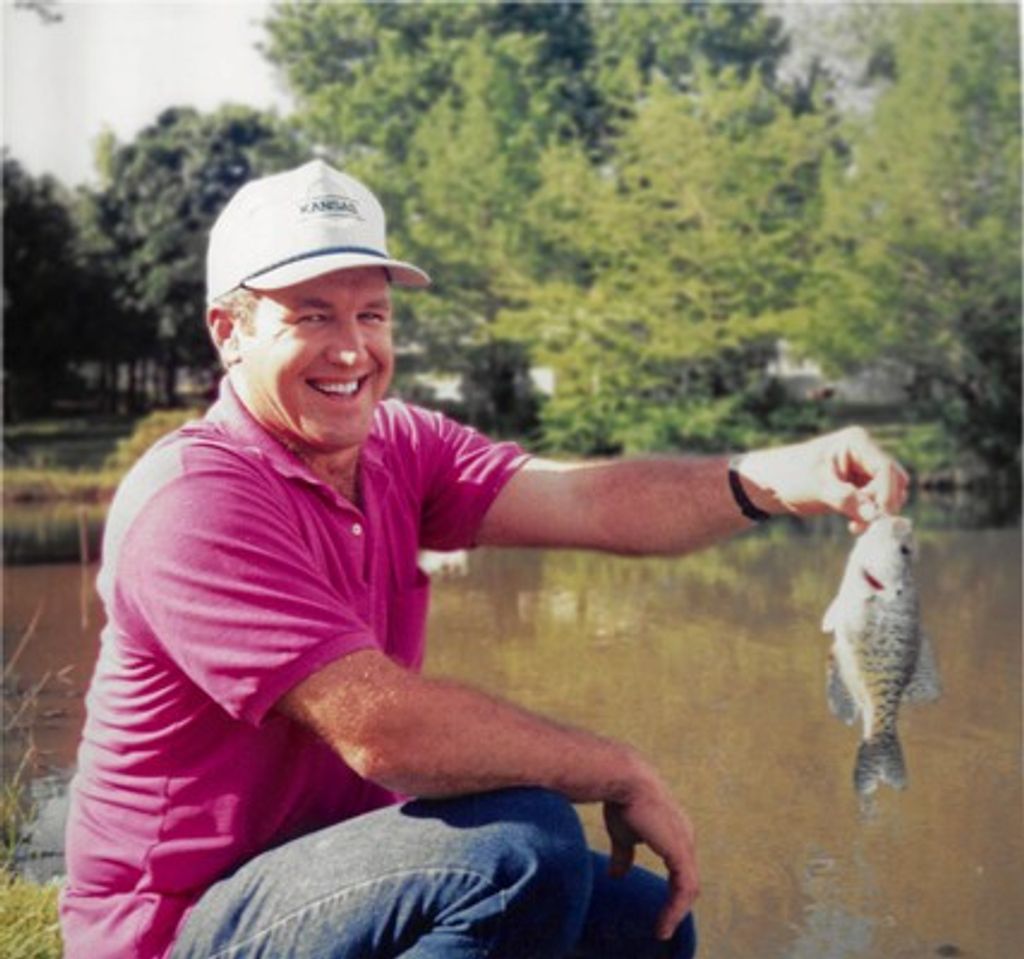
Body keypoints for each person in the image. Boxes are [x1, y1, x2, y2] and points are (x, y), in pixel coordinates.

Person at [59, 160, 908, 959]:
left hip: (319, 868)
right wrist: (619, 770)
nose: (351, 348)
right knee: (518, 849)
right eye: (310, 314)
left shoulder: (396, 444)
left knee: (643, 924)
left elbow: (590, 499)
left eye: (371, 313)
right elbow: (382, 728)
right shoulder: (195, 498)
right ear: (229, 332)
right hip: (178, 928)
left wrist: (780, 479)